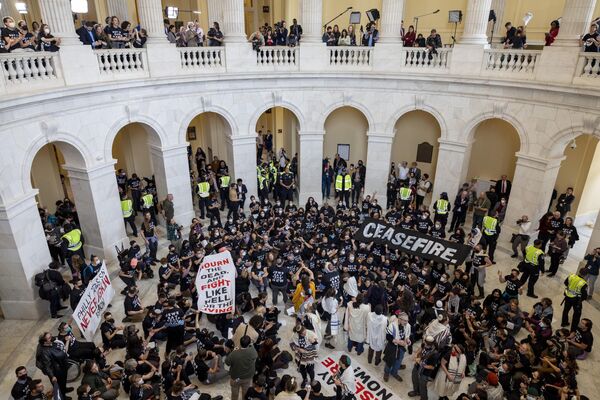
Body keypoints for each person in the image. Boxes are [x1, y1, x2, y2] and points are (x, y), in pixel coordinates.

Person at [35, 332, 71, 399]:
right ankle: (63, 396)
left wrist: (64, 339)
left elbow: (57, 342)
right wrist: (52, 376)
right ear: (44, 342)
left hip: (62, 366)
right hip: (57, 371)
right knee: (59, 385)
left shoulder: (51, 342)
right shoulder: (44, 352)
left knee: (63, 382)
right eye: (49, 338)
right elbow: (47, 366)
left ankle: (64, 389)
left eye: (50, 336)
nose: (51, 338)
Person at [226, 335, 258, 400]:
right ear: (249, 344)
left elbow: (227, 362)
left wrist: (233, 351)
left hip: (235, 377)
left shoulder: (234, 354)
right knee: (245, 393)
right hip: (247, 377)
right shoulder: (252, 350)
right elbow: (255, 356)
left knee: (234, 393)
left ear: (240, 343)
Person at [408, 335, 440, 399]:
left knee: (422, 385)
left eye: (427, 343)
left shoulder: (434, 354)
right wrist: (416, 354)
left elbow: (432, 367)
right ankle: (416, 391)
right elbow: (420, 349)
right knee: (414, 379)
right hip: (417, 367)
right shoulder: (424, 345)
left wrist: (420, 363)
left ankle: (424, 398)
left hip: (425, 372)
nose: (425, 344)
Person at [383, 311, 411, 382]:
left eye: (407, 320)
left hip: (401, 347)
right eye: (404, 320)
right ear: (399, 319)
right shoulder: (392, 325)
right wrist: (398, 341)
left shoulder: (407, 325)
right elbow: (388, 336)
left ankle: (394, 372)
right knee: (389, 361)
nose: (406, 322)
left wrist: (407, 340)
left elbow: (407, 335)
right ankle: (386, 373)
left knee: (399, 360)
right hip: (392, 346)